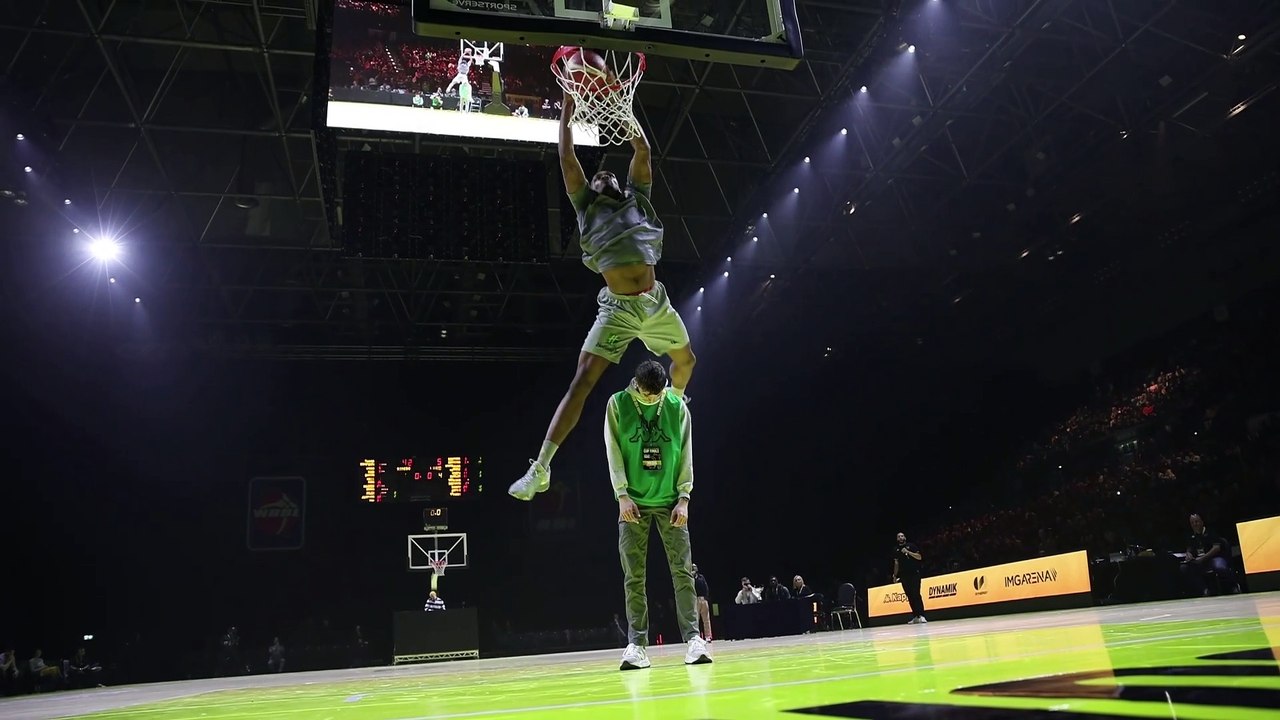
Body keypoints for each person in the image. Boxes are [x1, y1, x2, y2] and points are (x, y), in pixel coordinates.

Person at [508, 93, 696, 500]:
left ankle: (673, 407)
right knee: (582, 382)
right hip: (618, 310)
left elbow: (642, 148)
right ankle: (540, 468)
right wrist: (566, 112)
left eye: (608, 174)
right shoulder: (585, 208)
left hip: (655, 301)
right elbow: (566, 155)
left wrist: (620, 107)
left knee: (687, 362)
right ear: (590, 189)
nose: (603, 175)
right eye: (596, 177)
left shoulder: (638, 198)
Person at [606, 360, 710, 670]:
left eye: (657, 395)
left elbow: (687, 453)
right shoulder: (618, 403)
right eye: (646, 396)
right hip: (632, 503)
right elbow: (613, 450)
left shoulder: (677, 406)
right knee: (634, 577)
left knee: (682, 573)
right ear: (636, 385)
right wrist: (622, 495)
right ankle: (637, 644)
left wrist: (685, 497)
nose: (652, 400)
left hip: (671, 503)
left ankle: (693, 639)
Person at [1181, 513, 1239, 596]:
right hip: (1200, 561)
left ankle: (1233, 586)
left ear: (1202, 522)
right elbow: (1189, 548)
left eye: (1196, 522)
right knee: (1184, 568)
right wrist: (1188, 554)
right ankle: (1204, 590)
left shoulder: (1211, 531)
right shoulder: (1192, 536)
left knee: (1220, 566)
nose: (1195, 524)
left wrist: (1203, 558)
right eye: (1192, 523)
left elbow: (1216, 548)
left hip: (1214, 558)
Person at [892, 531, 927, 624]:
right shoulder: (895, 550)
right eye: (898, 536)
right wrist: (895, 575)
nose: (900, 537)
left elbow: (919, 557)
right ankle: (915, 616)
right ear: (897, 539)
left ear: (905, 538)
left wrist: (908, 552)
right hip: (904, 576)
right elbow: (896, 563)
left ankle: (922, 615)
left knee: (916, 594)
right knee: (910, 596)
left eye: (902, 536)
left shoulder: (911, 546)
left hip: (914, 573)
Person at [692, 563, 713, 640]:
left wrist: (706, 597)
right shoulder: (691, 578)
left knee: (706, 619)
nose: (694, 568)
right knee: (696, 619)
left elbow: (706, 587)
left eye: (695, 567)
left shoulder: (701, 577)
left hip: (703, 599)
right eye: (693, 567)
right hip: (695, 599)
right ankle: (696, 636)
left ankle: (708, 636)